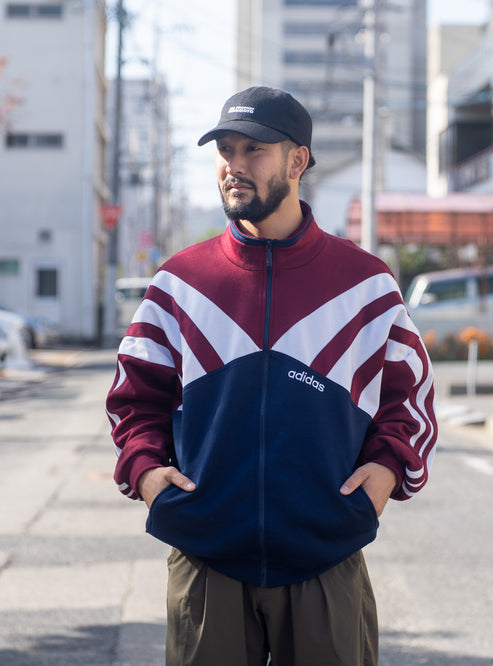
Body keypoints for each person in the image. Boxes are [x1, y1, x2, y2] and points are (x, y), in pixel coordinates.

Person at [106, 86, 438, 666]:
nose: (235, 165)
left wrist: (385, 474)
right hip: (206, 556)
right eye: (225, 150)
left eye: (253, 150)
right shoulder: (179, 283)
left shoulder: (364, 284)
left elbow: (408, 401)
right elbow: (134, 399)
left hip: (325, 558)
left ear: (297, 161)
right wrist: (147, 471)